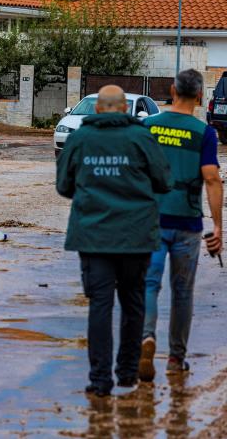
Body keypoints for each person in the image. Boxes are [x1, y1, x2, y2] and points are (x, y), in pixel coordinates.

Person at [57, 85, 172, 397]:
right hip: (136, 236)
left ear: (96, 110)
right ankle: (126, 373)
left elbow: (64, 186)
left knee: (100, 306)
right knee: (133, 303)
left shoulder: (79, 138)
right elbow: (164, 181)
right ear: (124, 109)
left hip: (93, 237)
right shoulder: (141, 137)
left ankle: (99, 379)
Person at [139, 69, 223, 382]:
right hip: (187, 223)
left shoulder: (148, 126)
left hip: (151, 221)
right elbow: (212, 178)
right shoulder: (204, 133)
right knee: (182, 292)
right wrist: (218, 227)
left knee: (149, 283)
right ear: (200, 96)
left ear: (172, 90)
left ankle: (147, 337)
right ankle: (176, 358)